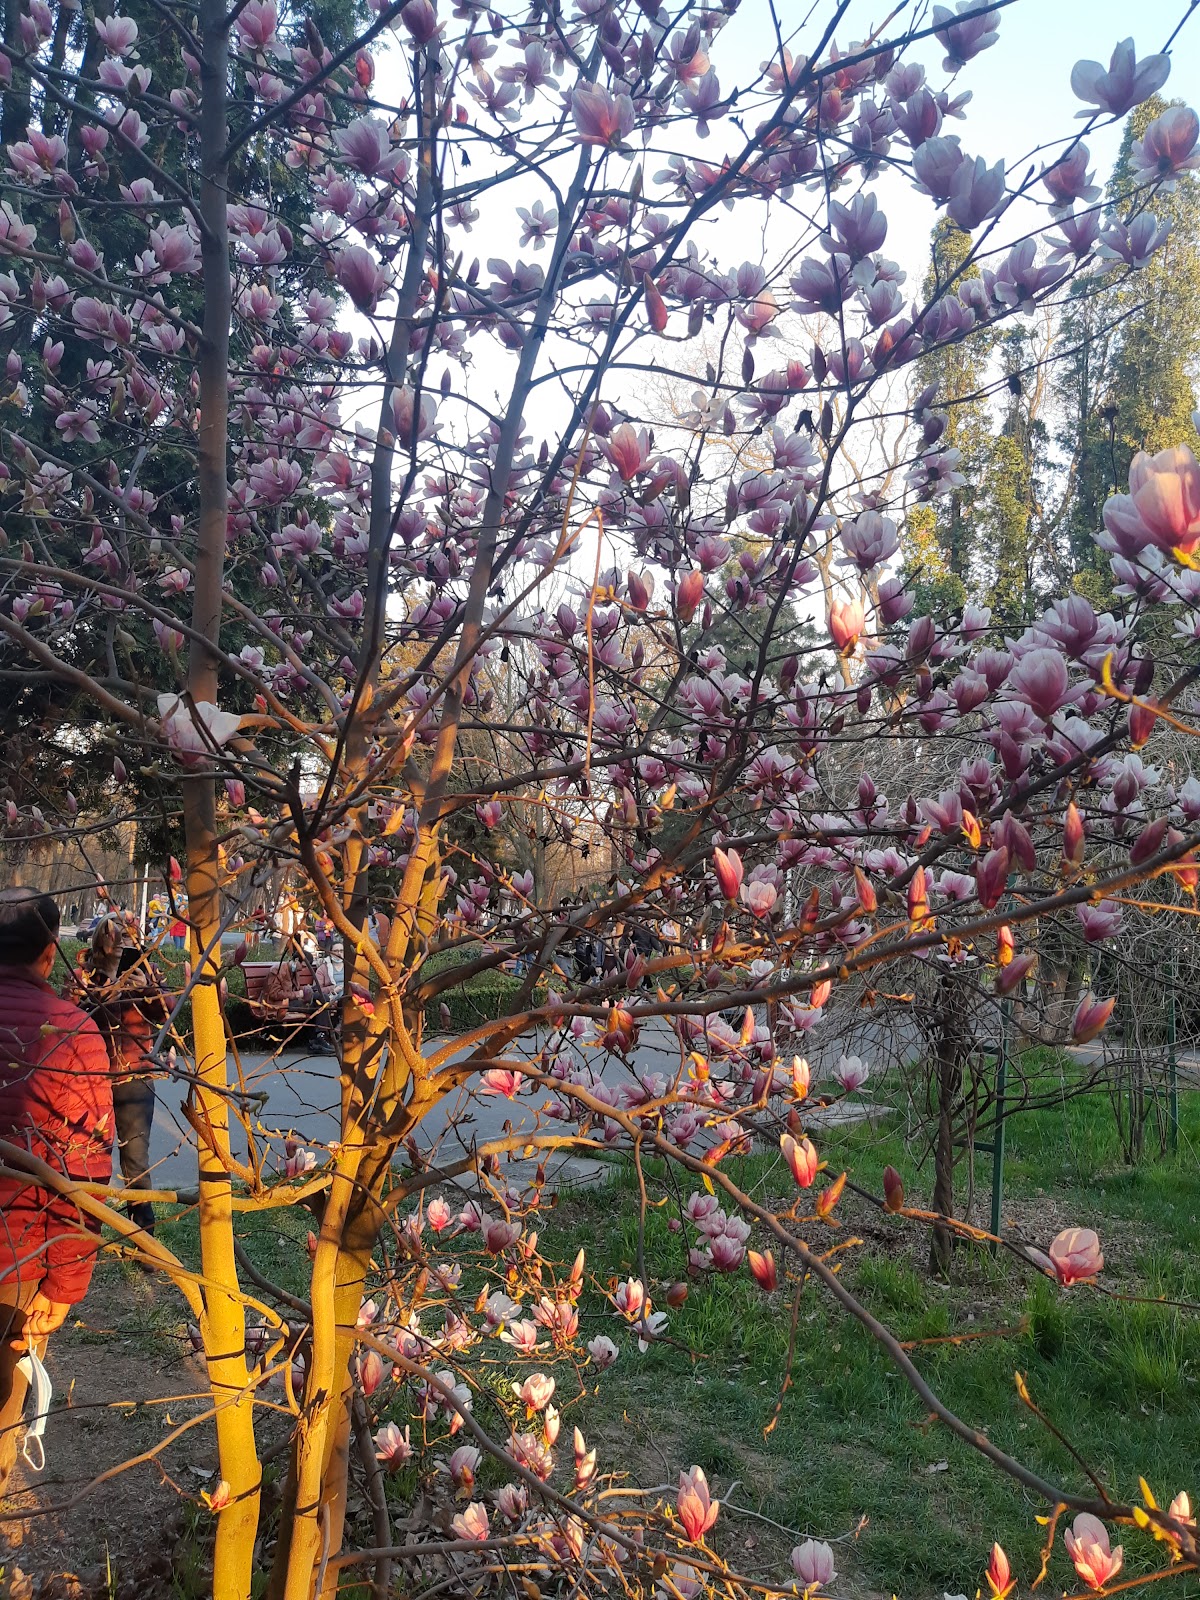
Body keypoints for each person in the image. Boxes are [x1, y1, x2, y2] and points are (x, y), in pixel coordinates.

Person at [0, 889, 113, 1494]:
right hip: (15, 1264)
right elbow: (84, 1178)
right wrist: (63, 1286)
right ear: (50, 953)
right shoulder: (74, 1032)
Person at [77, 919, 166, 1239]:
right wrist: (107, 988)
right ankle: (83, 1232)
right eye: (114, 935)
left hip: (135, 1078)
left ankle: (143, 1240)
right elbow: (77, 1020)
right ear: (101, 941)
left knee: (135, 1161)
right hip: (93, 1080)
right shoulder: (87, 978)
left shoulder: (147, 973)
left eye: (128, 936)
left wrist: (148, 991)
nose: (121, 941)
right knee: (87, 1159)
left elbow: (166, 1012)